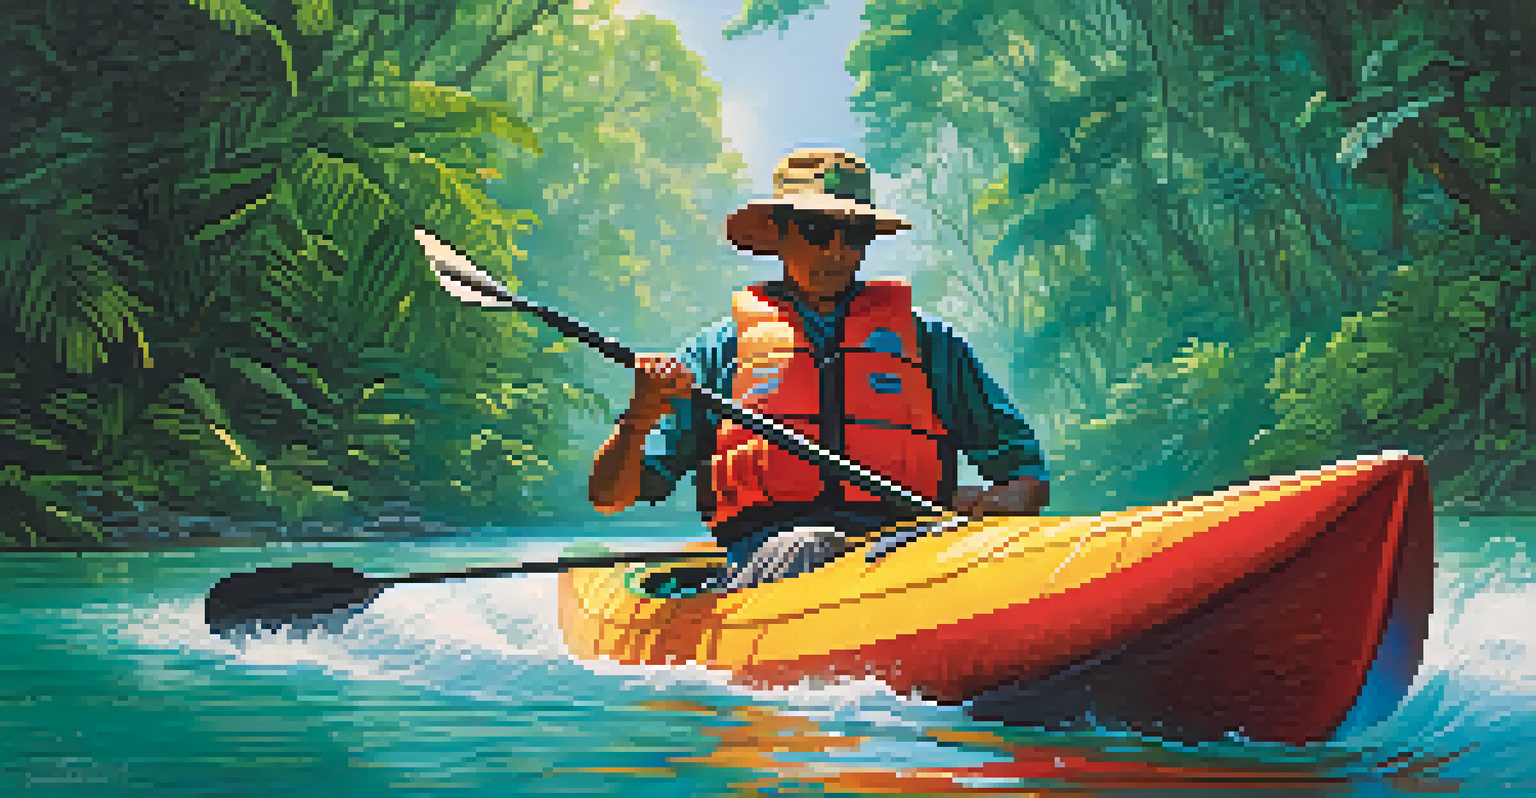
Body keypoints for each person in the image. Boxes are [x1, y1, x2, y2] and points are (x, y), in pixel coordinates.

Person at [590, 148, 1049, 591]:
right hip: (770, 553)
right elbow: (610, 497)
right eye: (816, 229)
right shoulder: (715, 352)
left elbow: (1027, 480)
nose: (837, 251)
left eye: (853, 235)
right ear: (780, 234)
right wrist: (640, 416)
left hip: (908, 549)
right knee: (810, 546)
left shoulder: (931, 345)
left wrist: (992, 503)